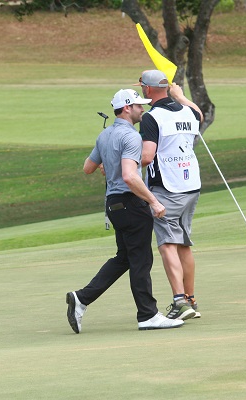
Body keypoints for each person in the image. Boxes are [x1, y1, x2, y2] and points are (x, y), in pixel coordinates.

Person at [66, 89, 184, 333]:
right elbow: (131, 176)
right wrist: (154, 201)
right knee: (141, 260)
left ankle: (82, 298)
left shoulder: (105, 135)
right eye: (139, 106)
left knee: (125, 258)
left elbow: (88, 168)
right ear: (127, 108)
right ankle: (148, 315)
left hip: (114, 206)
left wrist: (110, 165)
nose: (143, 109)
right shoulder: (131, 137)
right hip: (132, 204)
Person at [137, 70, 204, 320]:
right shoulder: (187, 111)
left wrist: (122, 163)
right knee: (183, 243)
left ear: (149, 90)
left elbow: (146, 157)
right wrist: (182, 96)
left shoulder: (151, 118)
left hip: (167, 189)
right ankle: (191, 298)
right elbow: (198, 114)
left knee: (167, 244)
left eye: (143, 86)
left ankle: (179, 301)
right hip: (191, 187)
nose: (142, 89)